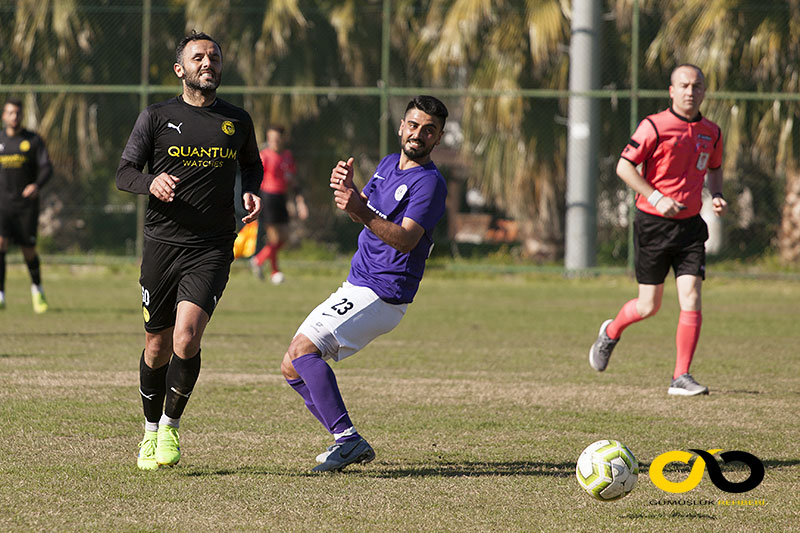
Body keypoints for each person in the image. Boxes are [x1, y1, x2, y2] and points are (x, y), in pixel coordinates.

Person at [116, 30, 263, 470]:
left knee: (186, 337)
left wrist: (252, 191)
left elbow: (251, 164)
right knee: (156, 345)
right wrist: (151, 182)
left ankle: (171, 428)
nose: (208, 63)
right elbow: (124, 173)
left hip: (213, 247)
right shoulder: (156, 117)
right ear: (180, 69)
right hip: (162, 246)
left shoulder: (237, 121)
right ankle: (148, 432)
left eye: (214, 57)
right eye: (198, 57)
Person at [280, 95, 449, 472]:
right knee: (291, 365)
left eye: (429, 130)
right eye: (414, 125)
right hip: (358, 283)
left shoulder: (430, 184)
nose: (419, 134)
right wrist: (349, 190)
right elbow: (366, 212)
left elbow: (404, 240)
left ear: (438, 139)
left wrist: (357, 207)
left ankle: (347, 440)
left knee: (304, 350)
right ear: (401, 126)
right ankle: (348, 440)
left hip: (384, 293)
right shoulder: (388, 165)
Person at [589, 64, 727, 396]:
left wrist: (718, 194)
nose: (690, 92)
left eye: (696, 86)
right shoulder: (654, 125)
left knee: (692, 297)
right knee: (649, 305)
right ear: (671, 91)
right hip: (653, 224)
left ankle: (681, 376)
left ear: (704, 91)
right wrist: (656, 196)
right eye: (683, 85)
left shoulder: (712, 131)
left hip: (691, 227)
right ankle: (611, 332)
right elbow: (625, 166)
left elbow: (715, 167)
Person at [0, 98, 53, 313]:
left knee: (28, 250)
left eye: (18, 113)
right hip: (2, 204)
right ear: (4, 115)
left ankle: (37, 290)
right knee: (0, 244)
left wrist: (36, 185)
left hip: (26, 207)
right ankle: (1, 294)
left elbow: (47, 167)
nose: (14, 117)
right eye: (10, 113)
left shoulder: (33, 141)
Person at [249, 125, 308, 284]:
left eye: (277, 138)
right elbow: (256, 179)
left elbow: (293, 181)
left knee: (285, 237)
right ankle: (275, 271)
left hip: (281, 198)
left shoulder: (287, 156)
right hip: (268, 197)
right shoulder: (265, 156)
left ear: (282, 139)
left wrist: (300, 202)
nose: (274, 141)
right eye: (271, 138)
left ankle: (259, 260)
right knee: (275, 238)